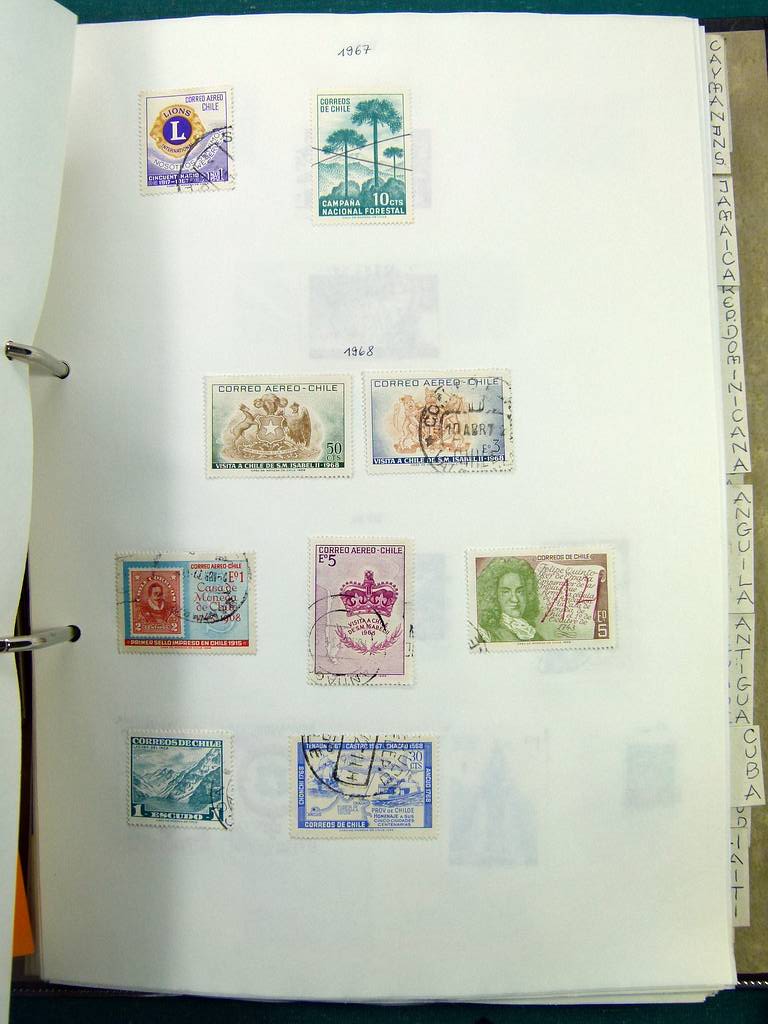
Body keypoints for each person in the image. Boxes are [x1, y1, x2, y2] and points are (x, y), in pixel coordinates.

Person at [475, 557, 542, 642]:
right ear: (494, 595)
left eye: (520, 592)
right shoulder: (487, 635)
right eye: (506, 592)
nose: (515, 599)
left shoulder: (531, 633)